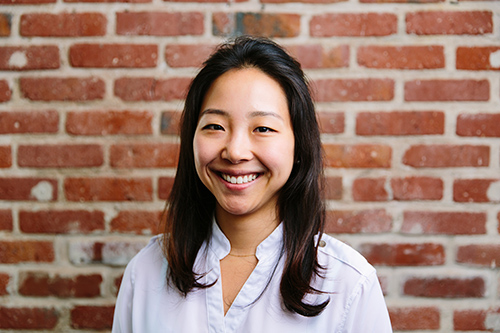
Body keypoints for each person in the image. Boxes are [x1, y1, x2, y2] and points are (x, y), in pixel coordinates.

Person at [112, 36, 392, 332]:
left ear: (299, 145)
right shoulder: (145, 272)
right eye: (215, 126)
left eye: (263, 128)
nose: (235, 151)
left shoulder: (349, 285)